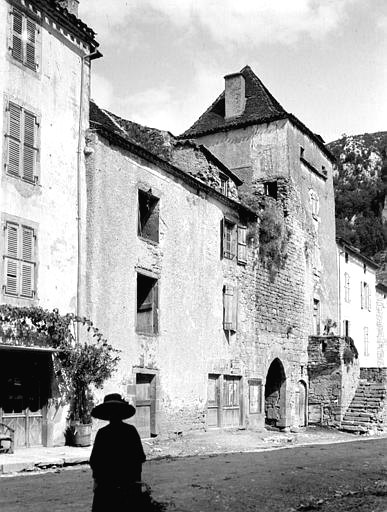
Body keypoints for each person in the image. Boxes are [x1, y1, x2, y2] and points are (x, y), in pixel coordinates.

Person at [89, 393, 146, 511]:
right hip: (128, 485)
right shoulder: (130, 431)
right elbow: (140, 458)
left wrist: (96, 481)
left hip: (107, 488)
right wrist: (136, 481)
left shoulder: (103, 433)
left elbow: (95, 462)